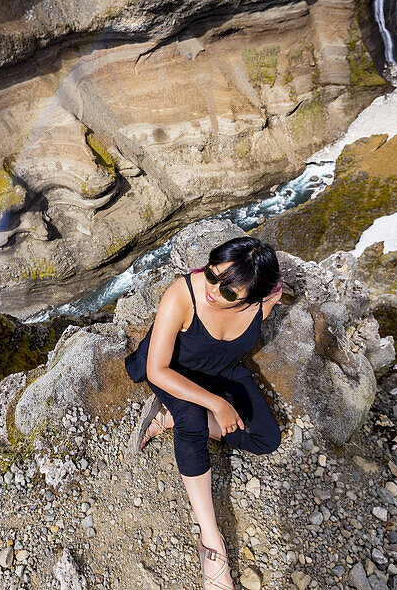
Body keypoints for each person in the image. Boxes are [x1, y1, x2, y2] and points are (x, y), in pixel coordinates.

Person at [123, 236, 285, 590]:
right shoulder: (183, 295)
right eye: (213, 275)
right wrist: (216, 403)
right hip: (173, 371)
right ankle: (212, 544)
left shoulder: (262, 302)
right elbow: (157, 370)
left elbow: (270, 294)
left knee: (267, 439)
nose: (215, 291)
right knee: (193, 422)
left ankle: (166, 418)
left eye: (230, 293)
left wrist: (220, 396)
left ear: (253, 296)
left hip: (223, 370)